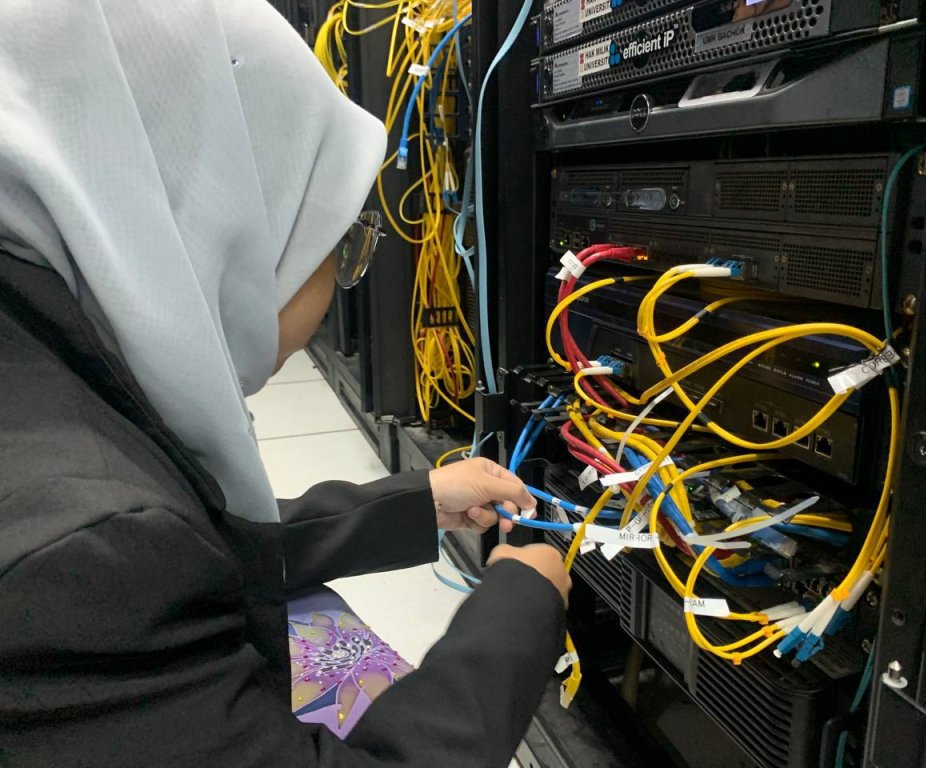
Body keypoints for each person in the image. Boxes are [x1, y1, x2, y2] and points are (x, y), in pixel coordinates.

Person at [0, 2, 571, 766]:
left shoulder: (40, 356)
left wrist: (415, 502)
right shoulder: (84, 552)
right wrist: (520, 610)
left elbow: (207, 544)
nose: (335, 282)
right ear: (230, 223)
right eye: (337, 241)